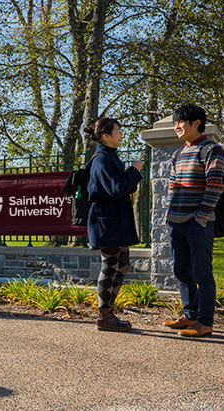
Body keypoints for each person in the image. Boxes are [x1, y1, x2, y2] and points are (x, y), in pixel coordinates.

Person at [163, 104, 224, 337]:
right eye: (175, 122)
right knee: (181, 271)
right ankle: (189, 315)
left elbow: (215, 186)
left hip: (197, 224)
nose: (176, 126)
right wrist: (168, 216)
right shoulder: (178, 153)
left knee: (202, 274)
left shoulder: (212, 150)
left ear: (196, 123)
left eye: (181, 122)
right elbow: (171, 186)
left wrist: (201, 217)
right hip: (175, 222)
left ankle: (205, 322)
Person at [84, 118, 144, 332]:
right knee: (110, 265)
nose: (121, 134)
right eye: (117, 131)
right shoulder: (102, 160)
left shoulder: (111, 157)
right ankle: (104, 315)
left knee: (122, 264)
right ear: (105, 136)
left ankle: (108, 311)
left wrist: (131, 176)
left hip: (116, 221)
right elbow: (115, 188)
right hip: (106, 222)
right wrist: (134, 171)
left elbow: (120, 188)